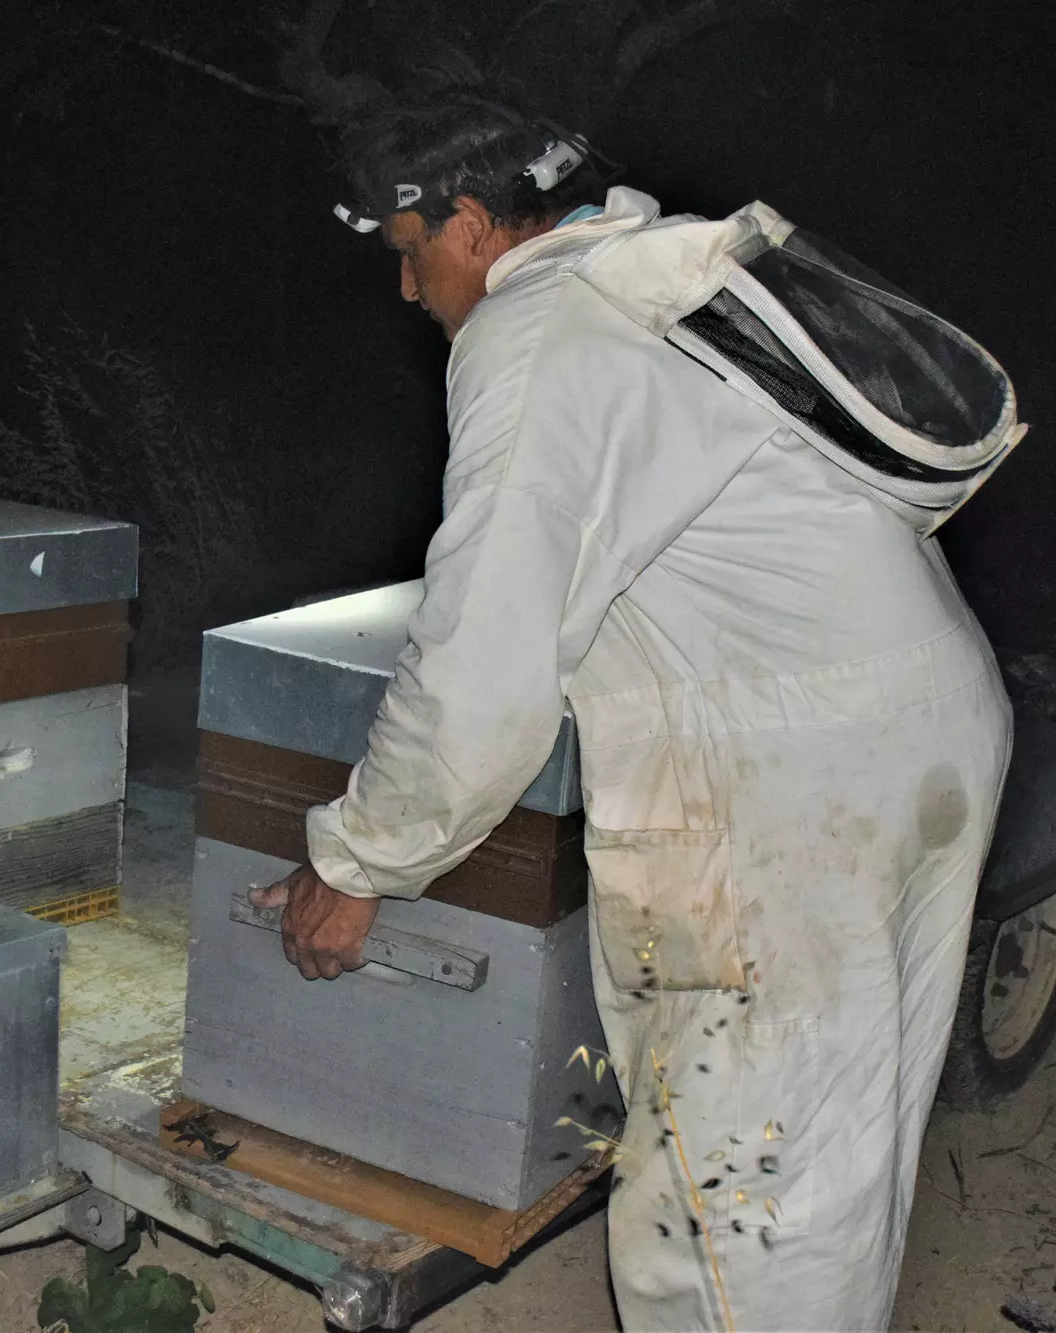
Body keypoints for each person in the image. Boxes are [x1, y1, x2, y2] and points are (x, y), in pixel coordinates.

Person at [248, 97, 1012, 1332]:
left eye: (408, 249)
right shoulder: (652, 289)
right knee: (829, 1146)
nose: (404, 291)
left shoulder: (541, 335)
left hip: (793, 784)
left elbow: (480, 660)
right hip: (908, 724)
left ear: (481, 223)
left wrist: (357, 858)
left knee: (724, 1190)